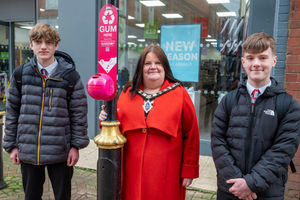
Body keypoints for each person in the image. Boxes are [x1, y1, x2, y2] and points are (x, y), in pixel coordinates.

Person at [99, 45, 200, 200]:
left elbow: (191, 134)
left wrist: (189, 169)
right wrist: (105, 118)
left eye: (158, 63)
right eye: (147, 63)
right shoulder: (127, 93)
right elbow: (115, 126)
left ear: (165, 66)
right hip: (131, 171)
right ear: (141, 68)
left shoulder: (180, 94)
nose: (153, 67)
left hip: (167, 174)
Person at [3, 23, 89, 200]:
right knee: (31, 196)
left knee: (62, 196)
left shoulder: (70, 77)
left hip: (61, 151)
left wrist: (75, 146)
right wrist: (12, 146)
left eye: (49, 42)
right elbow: (12, 112)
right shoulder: (20, 75)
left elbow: (78, 114)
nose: (43, 46)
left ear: (56, 45)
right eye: (38, 41)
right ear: (31, 45)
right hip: (28, 150)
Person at [211, 32, 300, 200]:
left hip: (267, 191)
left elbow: (283, 150)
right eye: (250, 58)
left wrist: (251, 183)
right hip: (230, 189)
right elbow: (218, 143)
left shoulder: (288, 105)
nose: (256, 64)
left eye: (263, 57)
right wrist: (237, 185)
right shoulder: (228, 101)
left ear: (274, 61)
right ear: (243, 62)